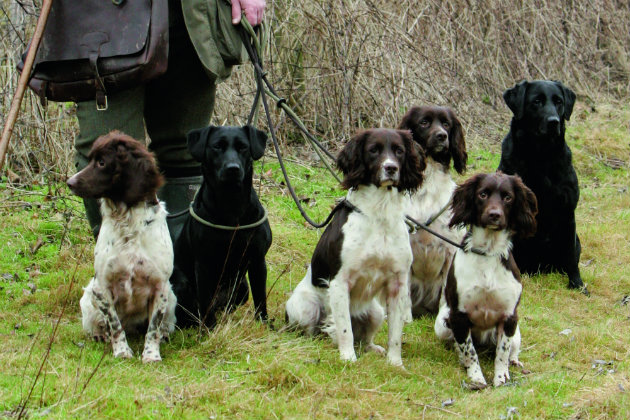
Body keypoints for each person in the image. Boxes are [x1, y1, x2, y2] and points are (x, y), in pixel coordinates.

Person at [73, 0, 266, 239]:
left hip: (192, 20)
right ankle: (120, 266)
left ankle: (179, 268)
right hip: (105, 24)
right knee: (103, 151)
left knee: (184, 152)